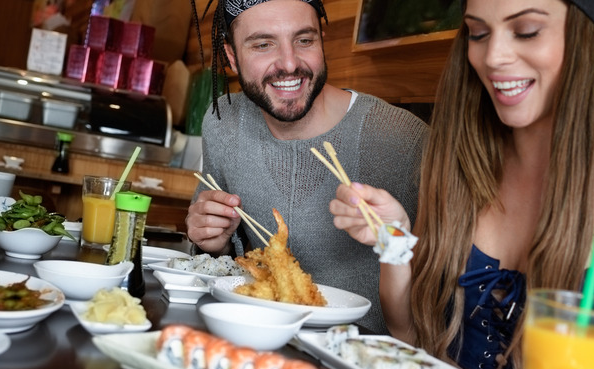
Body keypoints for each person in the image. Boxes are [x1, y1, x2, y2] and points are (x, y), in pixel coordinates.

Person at [329, 0, 594, 369]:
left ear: (584, 39)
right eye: (479, 33)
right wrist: (394, 238)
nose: (494, 57)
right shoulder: (459, 169)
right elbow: (409, 335)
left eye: (526, 30)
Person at [184, 0, 429, 335]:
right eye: (263, 44)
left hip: (361, 359)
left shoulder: (401, 139)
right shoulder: (223, 121)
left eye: (304, 40)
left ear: (322, 40)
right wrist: (214, 241)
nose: (288, 63)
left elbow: (441, 298)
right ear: (231, 57)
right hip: (251, 334)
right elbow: (218, 258)